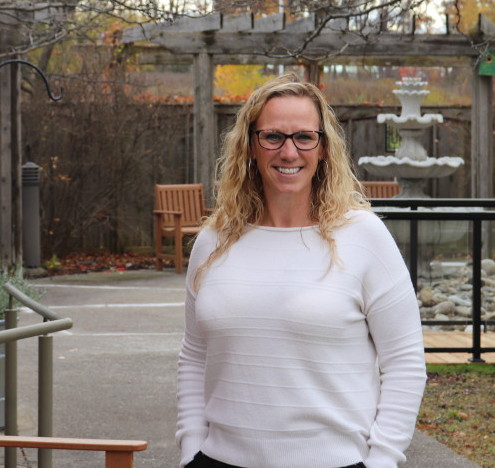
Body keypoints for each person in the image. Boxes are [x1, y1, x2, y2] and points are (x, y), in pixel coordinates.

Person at [176, 73, 427, 468]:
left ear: (323, 148)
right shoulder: (213, 242)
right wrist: (191, 447)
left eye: (304, 137)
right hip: (219, 459)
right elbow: (193, 356)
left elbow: (405, 361)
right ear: (250, 147)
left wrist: (382, 461)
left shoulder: (363, 238)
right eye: (273, 136)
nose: (289, 152)